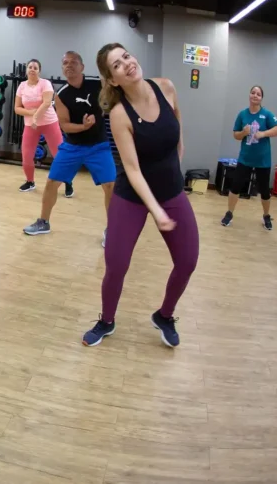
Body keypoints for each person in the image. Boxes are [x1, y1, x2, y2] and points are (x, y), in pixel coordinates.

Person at [82, 43, 198, 349]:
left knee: (188, 261)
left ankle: (165, 315)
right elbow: (133, 170)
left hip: (171, 190)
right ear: (112, 80)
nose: (127, 64)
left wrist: (179, 151)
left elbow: (177, 120)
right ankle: (107, 320)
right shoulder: (119, 114)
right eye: (117, 65)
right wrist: (157, 211)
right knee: (116, 264)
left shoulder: (166, 87)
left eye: (126, 56)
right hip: (131, 196)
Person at [23, 51, 116, 245]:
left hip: (99, 146)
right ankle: (43, 222)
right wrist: (84, 126)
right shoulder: (62, 94)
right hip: (72, 146)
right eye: (65, 63)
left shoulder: (97, 83)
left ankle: (113, 229)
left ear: (82, 67)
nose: (69, 65)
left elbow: (114, 96)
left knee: (111, 186)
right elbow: (64, 125)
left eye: (73, 62)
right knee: (51, 182)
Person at [220, 85, 277, 230]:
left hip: (263, 160)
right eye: (253, 93)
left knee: (265, 191)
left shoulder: (266, 114)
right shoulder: (242, 114)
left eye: (258, 94)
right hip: (245, 159)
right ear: (249, 95)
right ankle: (229, 213)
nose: (255, 95)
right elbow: (236, 135)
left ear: (261, 98)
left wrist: (263, 134)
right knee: (235, 186)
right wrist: (243, 132)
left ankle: (266, 216)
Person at [14, 59, 65, 192]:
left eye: (35, 68)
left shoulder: (45, 83)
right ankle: (30, 182)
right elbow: (17, 108)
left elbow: (47, 102)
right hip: (30, 125)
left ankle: (68, 182)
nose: (32, 69)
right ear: (26, 70)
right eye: (30, 67)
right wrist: (31, 113)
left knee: (59, 155)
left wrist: (36, 116)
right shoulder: (22, 86)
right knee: (26, 156)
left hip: (49, 122)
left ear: (39, 71)